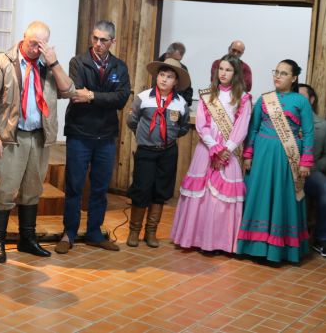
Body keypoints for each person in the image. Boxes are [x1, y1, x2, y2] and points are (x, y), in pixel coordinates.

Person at [0, 21, 75, 263]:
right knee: (5, 188)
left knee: (33, 189)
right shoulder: (2, 62)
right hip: (12, 137)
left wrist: (53, 62)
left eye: (41, 45)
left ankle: (27, 239)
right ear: (23, 37)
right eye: (32, 43)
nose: (36, 49)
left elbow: (68, 90)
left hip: (39, 136)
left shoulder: (48, 65)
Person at [55, 20, 130, 254]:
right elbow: (76, 94)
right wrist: (98, 97)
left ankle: (94, 233)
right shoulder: (78, 62)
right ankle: (69, 232)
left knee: (100, 187)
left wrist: (92, 96)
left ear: (112, 41)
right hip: (79, 132)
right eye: (95, 38)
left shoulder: (119, 67)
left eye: (103, 40)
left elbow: (121, 99)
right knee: (74, 186)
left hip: (106, 135)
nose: (98, 43)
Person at [170, 54, 251, 253]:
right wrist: (214, 146)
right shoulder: (208, 95)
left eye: (228, 70)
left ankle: (217, 242)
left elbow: (241, 127)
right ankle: (194, 238)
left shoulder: (243, 98)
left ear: (236, 73)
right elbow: (201, 124)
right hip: (206, 149)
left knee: (221, 198)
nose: (223, 73)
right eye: (221, 69)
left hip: (228, 153)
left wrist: (225, 150)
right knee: (201, 194)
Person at [237, 59, 314, 264]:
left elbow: (308, 133)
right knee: (259, 195)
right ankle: (253, 247)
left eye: (284, 73)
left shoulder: (301, 101)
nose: (278, 76)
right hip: (262, 155)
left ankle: (278, 250)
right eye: (276, 72)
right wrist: (248, 155)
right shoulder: (265, 99)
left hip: (286, 158)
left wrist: (305, 162)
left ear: (294, 78)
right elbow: (253, 129)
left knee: (282, 197)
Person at [125, 58, 191, 248]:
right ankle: (134, 231)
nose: (164, 79)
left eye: (169, 77)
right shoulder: (143, 97)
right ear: (157, 77)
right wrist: (145, 136)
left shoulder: (180, 103)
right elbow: (132, 121)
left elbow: (183, 127)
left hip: (167, 153)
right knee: (141, 189)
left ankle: (151, 231)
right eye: (162, 75)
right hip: (146, 152)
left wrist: (168, 138)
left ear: (175, 82)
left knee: (160, 190)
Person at [297, 83, 326, 259]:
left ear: (311, 100)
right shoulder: (282, 122)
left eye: (302, 97)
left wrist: (313, 168)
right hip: (282, 172)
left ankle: (322, 239)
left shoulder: (324, 125)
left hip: (310, 173)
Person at [158, 42, 193, 107]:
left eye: (179, 60)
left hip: (177, 105)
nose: (177, 62)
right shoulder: (156, 65)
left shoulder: (183, 68)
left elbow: (188, 88)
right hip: (157, 102)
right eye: (175, 59)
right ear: (168, 54)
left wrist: (186, 103)